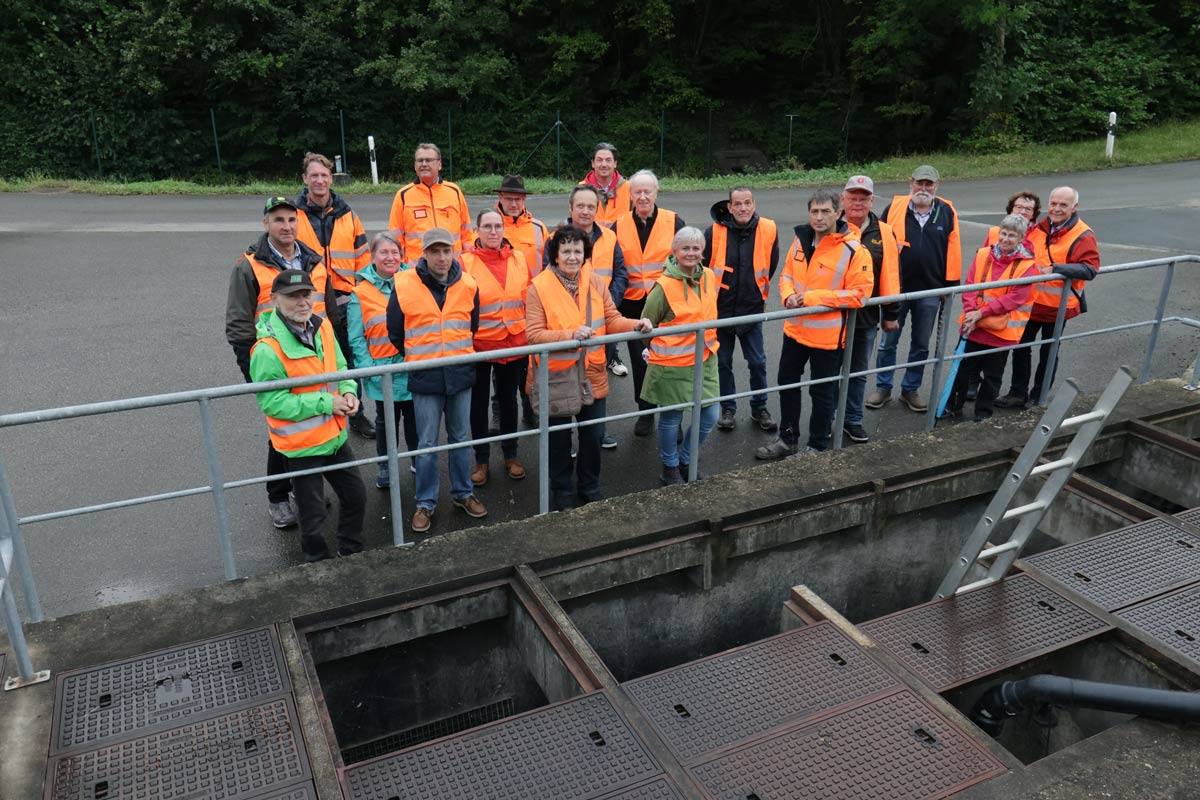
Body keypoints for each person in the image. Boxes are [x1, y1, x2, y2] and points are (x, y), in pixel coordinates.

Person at [525, 226, 652, 511]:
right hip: (556, 376)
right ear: (555, 255)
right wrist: (569, 335)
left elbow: (612, 319)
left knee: (593, 435)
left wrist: (636, 324)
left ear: (585, 255)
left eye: (577, 251)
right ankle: (561, 492)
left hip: (592, 373)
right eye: (566, 251)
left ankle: (589, 486)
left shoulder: (595, 282)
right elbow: (533, 335)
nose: (572, 257)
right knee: (558, 440)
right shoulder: (538, 287)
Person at [226, 196, 331, 530]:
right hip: (274, 363)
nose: (286, 226)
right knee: (282, 432)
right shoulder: (249, 265)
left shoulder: (313, 261)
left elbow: (326, 311)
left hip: (315, 357)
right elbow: (239, 324)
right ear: (265, 224)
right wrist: (252, 369)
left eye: (291, 220)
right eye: (278, 220)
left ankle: (306, 491)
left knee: (313, 425)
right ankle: (278, 496)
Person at [249, 269, 366, 562]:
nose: (303, 302)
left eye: (306, 294)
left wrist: (349, 391)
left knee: (356, 497)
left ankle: (350, 552)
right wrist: (327, 403)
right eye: (293, 296)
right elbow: (274, 403)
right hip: (302, 446)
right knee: (312, 518)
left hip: (335, 437)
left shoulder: (322, 326)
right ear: (274, 299)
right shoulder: (266, 350)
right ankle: (317, 564)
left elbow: (340, 367)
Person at [757, 189, 874, 459]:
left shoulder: (854, 250)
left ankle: (817, 447)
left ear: (838, 213)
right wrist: (787, 296)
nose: (819, 217)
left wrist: (811, 298)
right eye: (814, 211)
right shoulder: (800, 241)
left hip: (827, 338)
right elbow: (787, 274)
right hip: (795, 331)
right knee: (786, 383)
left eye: (825, 211)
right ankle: (787, 439)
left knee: (822, 392)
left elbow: (859, 294)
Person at [385, 228, 485, 533]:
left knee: (460, 438)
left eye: (446, 251)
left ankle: (462, 493)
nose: (442, 258)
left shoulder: (468, 283)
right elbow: (396, 332)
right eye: (435, 252)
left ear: (454, 252)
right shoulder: (403, 284)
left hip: (460, 374)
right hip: (426, 377)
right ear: (424, 254)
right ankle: (425, 503)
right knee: (426, 443)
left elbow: (473, 326)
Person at [867, 165, 961, 413]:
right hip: (896, 290)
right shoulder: (893, 209)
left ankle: (910, 390)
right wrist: (878, 285)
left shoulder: (947, 211)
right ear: (911, 183)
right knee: (888, 342)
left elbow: (953, 250)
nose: (923, 188)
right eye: (919, 183)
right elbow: (879, 247)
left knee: (921, 344)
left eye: (928, 184)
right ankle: (883, 387)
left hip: (930, 291)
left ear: (936, 187)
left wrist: (949, 288)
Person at [294, 152, 375, 438]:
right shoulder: (294, 214)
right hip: (310, 304)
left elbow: (364, 260)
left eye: (324, 175)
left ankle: (357, 413)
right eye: (313, 175)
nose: (319, 180)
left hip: (345, 302)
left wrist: (364, 297)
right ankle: (321, 415)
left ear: (331, 178)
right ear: (305, 179)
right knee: (316, 363)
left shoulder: (348, 214)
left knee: (350, 361)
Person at [996, 186, 1100, 408]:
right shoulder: (1039, 228)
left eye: (1063, 205)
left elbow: (1090, 269)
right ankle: (1017, 393)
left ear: (1074, 207)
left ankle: (1038, 397)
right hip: (1031, 303)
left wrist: (1056, 268)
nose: (1057, 208)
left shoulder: (1083, 234)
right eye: (1054, 203)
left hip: (1057, 306)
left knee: (1049, 350)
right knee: (1021, 346)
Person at [547, 184, 629, 449]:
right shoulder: (554, 239)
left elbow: (620, 273)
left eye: (591, 206)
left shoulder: (609, 237)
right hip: (566, 324)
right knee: (566, 379)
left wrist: (608, 304)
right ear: (570, 208)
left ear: (597, 209)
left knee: (596, 378)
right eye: (580, 206)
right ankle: (568, 437)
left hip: (600, 321)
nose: (585, 211)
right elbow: (547, 279)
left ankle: (597, 432)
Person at [641, 227, 722, 485]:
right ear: (674, 252)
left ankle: (687, 460)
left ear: (703, 252)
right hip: (673, 365)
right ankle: (670, 466)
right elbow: (647, 324)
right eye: (685, 248)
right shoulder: (662, 286)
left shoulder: (709, 276)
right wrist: (654, 348)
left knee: (710, 415)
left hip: (705, 360)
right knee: (671, 418)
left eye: (696, 248)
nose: (691, 253)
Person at [943, 214, 1038, 421]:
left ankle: (983, 415)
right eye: (1003, 233)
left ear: (1021, 238)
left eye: (1012, 236)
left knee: (992, 376)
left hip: (1000, 332)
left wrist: (979, 313)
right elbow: (970, 285)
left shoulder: (1027, 265)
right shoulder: (983, 254)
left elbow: (1015, 298)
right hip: (973, 325)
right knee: (961, 370)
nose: (1005, 239)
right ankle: (952, 407)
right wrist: (970, 311)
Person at [614, 170, 686, 436]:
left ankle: (672, 418)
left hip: (667, 304)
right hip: (632, 305)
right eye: (637, 192)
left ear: (656, 193)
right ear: (630, 195)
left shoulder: (674, 221)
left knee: (668, 362)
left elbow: (688, 261)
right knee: (640, 362)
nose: (642, 196)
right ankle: (644, 411)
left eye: (648, 191)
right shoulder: (619, 224)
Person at [346, 232, 419, 489]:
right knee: (386, 423)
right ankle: (386, 465)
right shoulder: (360, 293)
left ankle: (416, 460)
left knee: (414, 420)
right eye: (384, 253)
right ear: (373, 257)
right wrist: (371, 371)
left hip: (411, 369)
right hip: (382, 373)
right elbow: (356, 339)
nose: (390, 257)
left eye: (395, 252)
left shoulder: (413, 282)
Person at [462, 210, 530, 486]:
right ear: (477, 230)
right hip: (479, 347)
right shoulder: (464, 262)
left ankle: (511, 454)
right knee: (477, 405)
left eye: (497, 226)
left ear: (504, 229)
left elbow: (527, 298)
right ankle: (481, 460)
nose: (493, 231)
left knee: (508, 402)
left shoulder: (519, 259)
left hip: (513, 343)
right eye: (487, 226)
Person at [703, 186, 779, 434]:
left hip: (751, 309)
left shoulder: (768, 229)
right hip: (720, 310)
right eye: (738, 204)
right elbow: (703, 270)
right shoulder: (713, 232)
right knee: (723, 362)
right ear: (730, 207)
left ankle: (759, 408)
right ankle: (728, 409)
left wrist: (755, 293)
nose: (743, 208)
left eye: (747, 203)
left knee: (757, 362)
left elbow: (771, 263)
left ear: (754, 204)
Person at [838, 175, 901, 443]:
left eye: (863, 198)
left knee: (858, 371)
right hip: (832, 316)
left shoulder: (885, 231)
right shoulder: (830, 225)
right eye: (852, 197)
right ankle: (828, 418)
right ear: (843, 198)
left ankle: (852, 420)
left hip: (865, 317)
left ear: (872, 200)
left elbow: (892, 273)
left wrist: (891, 314)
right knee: (828, 373)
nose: (857, 202)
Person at [387, 143, 472, 262]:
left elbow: (467, 233)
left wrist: (466, 263)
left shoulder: (454, 192)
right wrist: (403, 267)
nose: (424, 164)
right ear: (415, 166)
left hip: (452, 266)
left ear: (439, 164)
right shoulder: (403, 195)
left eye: (429, 160)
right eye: (420, 160)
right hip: (417, 270)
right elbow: (395, 238)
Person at [494, 174, 549, 274]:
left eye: (517, 199)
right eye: (509, 199)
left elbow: (550, 263)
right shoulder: (489, 227)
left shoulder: (539, 229)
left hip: (533, 289)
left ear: (524, 198)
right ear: (500, 198)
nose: (513, 204)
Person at [580, 142, 631, 228]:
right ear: (593, 163)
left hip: (621, 240)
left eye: (608, 160)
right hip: (590, 240)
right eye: (599, 160)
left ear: (615, 163)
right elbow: (575, 221)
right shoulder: (581, 188)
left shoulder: (628, 188)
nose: (604, 165)